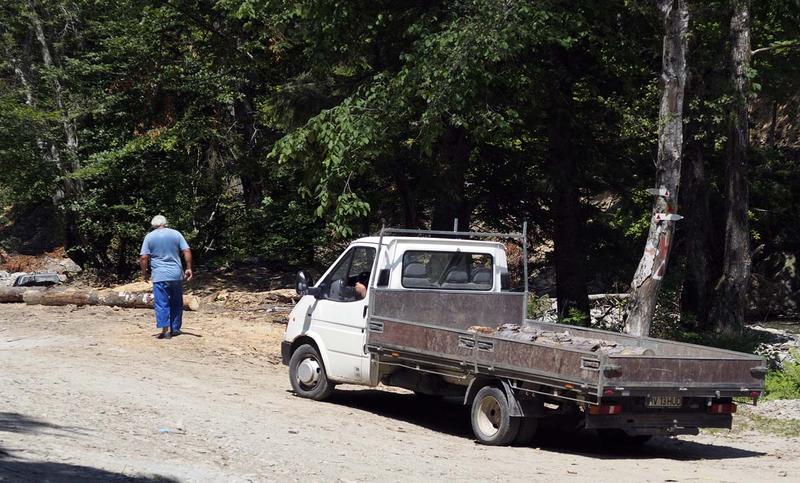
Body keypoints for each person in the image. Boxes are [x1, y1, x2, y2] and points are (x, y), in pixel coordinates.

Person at [139, 215, 193, 339]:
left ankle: (164, 329)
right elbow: (186, 251)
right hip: (175, 274)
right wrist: (189, 267)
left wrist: (144, 272)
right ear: (165, 223)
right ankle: (175, 328)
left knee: (161, 302)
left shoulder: (149, 237)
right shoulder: (176, 234)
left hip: (159, 274)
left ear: (153, 224)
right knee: (176, 301)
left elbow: (143, 257)